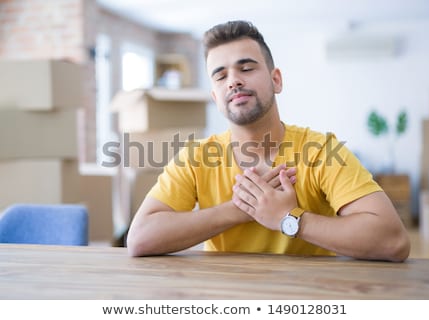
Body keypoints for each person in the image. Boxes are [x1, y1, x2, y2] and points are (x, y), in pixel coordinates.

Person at [127, 20, 410, 261]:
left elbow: (393, 240)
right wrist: (238, 210)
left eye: (246, 68)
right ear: (215, 97)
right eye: (221, 75)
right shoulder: (196, 157)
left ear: (276, 80)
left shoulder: (322, 151)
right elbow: (140, 238)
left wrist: (289, 218)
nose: (233, 81)